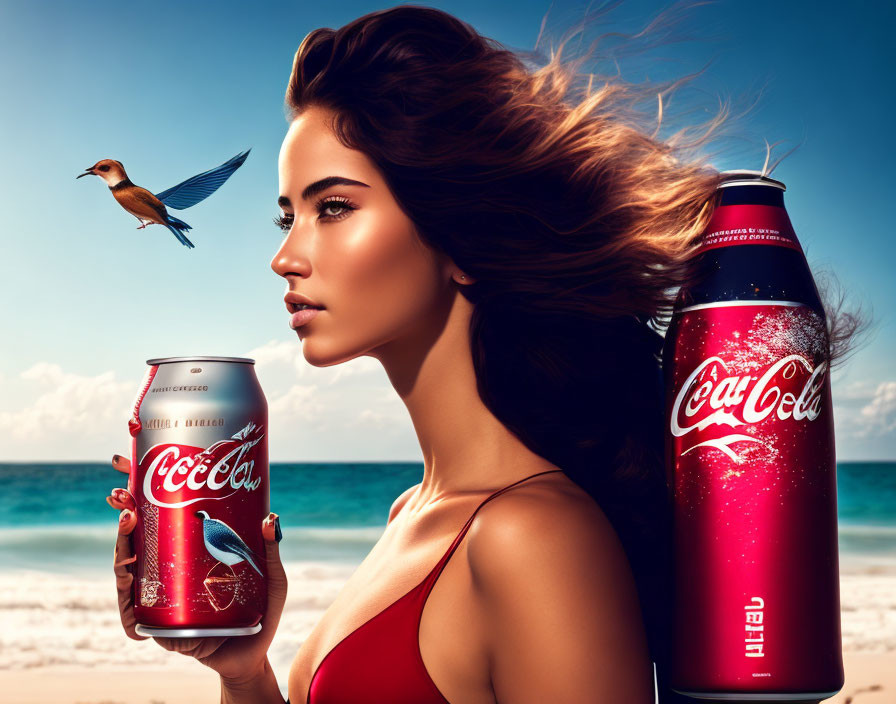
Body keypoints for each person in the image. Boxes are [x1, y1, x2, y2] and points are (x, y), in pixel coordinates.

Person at [105, 5, 776, 703]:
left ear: (459, 237)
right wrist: (243, 672)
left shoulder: (533, 539)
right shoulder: (414, 514)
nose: (284, 257)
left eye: (333, 207)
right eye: (287, 217)